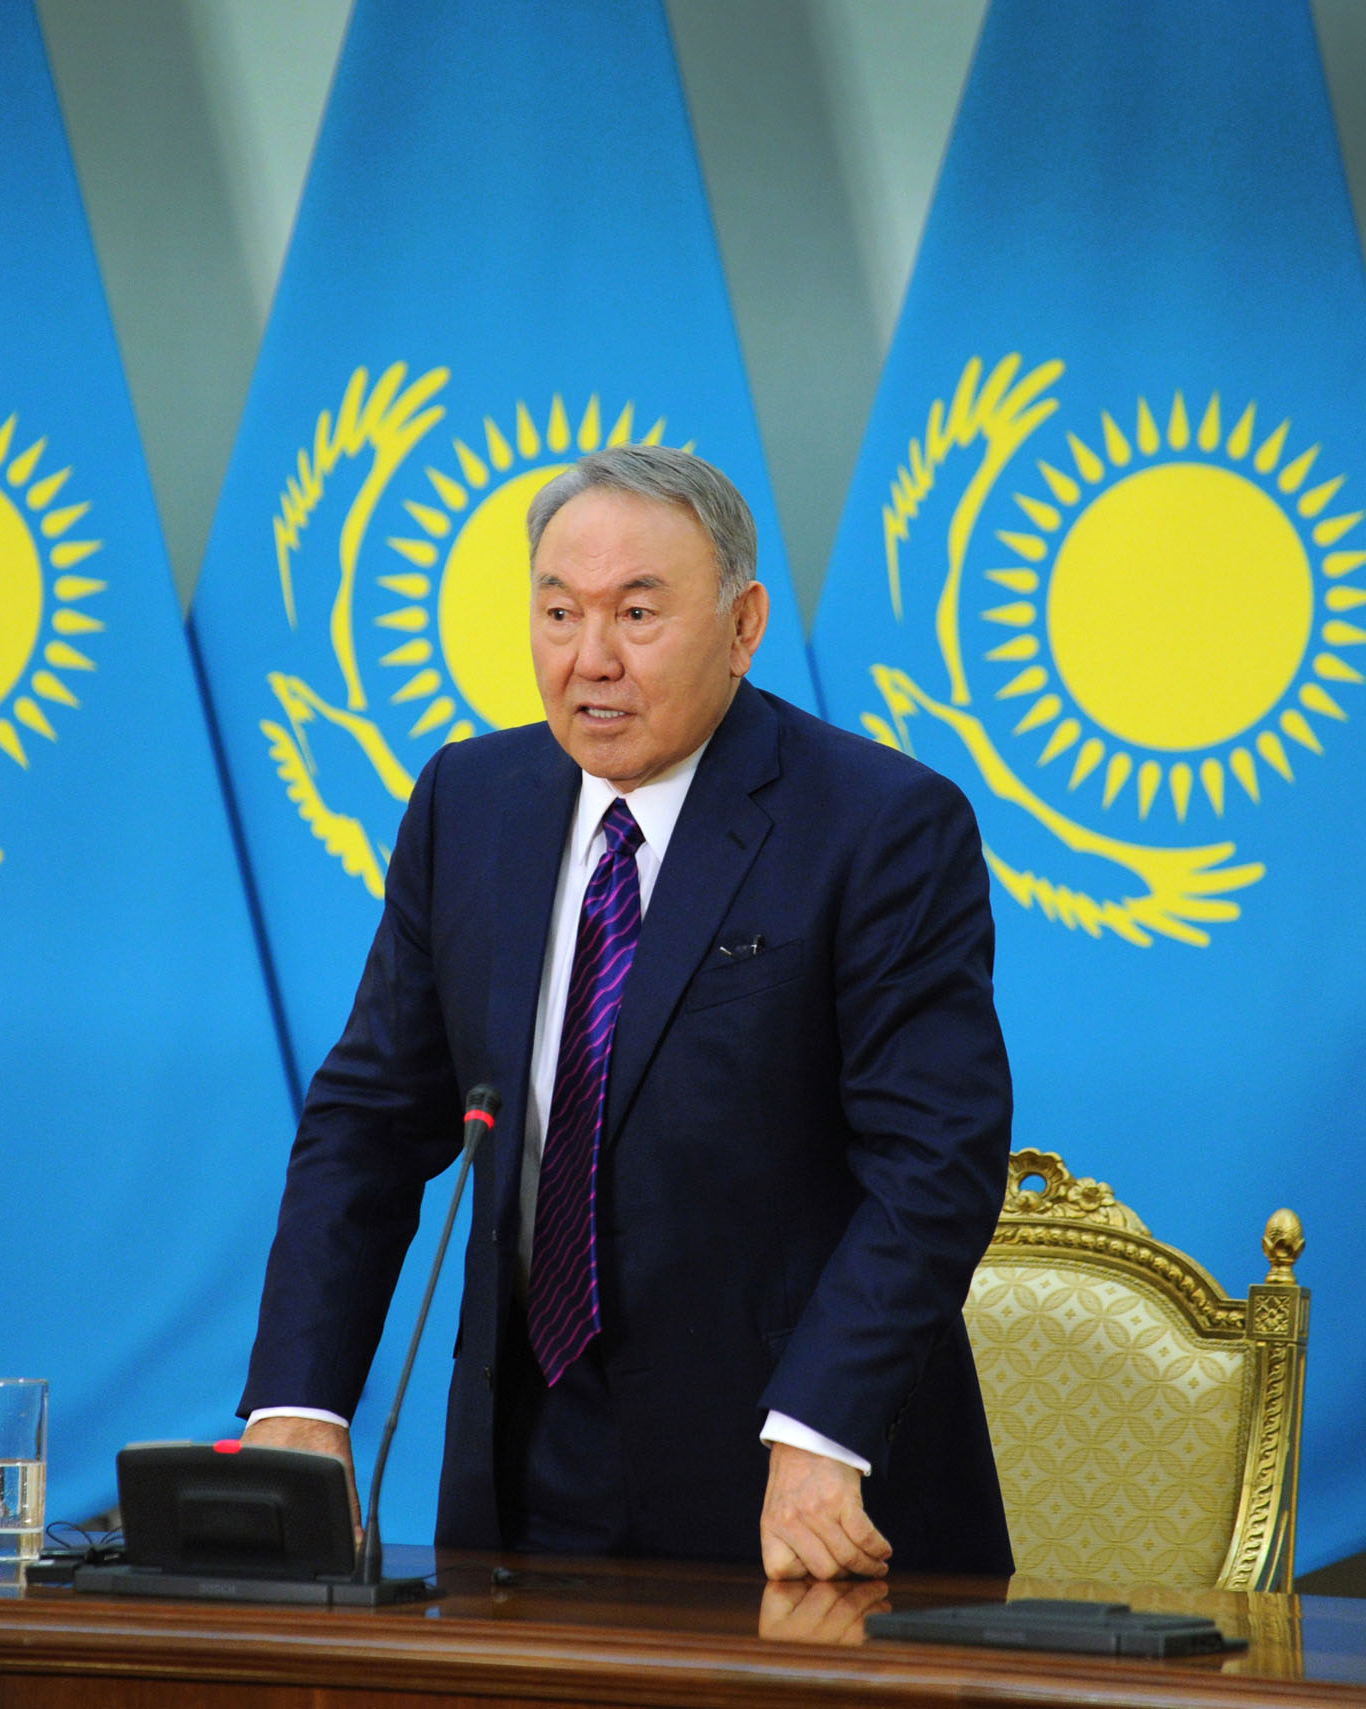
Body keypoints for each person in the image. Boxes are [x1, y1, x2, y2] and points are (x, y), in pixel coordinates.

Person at [238, 444, 1014, 1580]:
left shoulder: (879, 824)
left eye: (637, 614)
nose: (589, 658)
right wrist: (300, 1404)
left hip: (788, 1480)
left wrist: (820, 1426)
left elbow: (935, 1161)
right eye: (559, 613)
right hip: (521, 1472)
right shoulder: (469, 804)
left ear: (743, 625)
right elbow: (367, 1121)